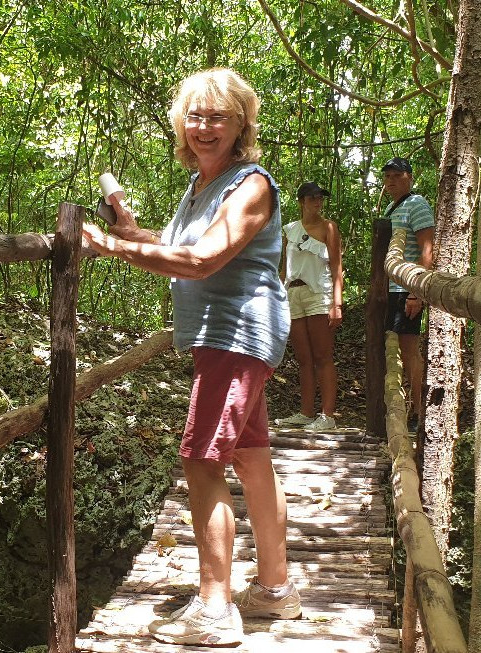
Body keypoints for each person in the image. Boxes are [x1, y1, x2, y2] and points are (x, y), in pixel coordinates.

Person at [82, 68, 300, 647]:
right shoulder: (204, 184)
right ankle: (275, 591)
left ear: (240, 124)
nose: (204, 127)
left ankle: (213, 608)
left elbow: (204, 261)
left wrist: (114, 247)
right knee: (251, 458)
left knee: (202, 460)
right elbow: (183, 246)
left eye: (218, 117)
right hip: (223, 338)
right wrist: (135, 233)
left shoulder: (251, 184)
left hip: (238, 334)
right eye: (196, 116)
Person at [274, 181, 343, 431]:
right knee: (303, 358)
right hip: (293, 294)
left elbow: (336, 267)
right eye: (312, 198)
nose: (317, 202)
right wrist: (277, 296)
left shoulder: (329, 228)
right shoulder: (290, 230)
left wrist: (337, 303)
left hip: (318, 293)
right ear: (301, 202)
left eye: (320, 198)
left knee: (322, 355)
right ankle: (306, 412)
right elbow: (284, 269)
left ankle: (327, 415)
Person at [380, 157, 434, 430]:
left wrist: (417, 293)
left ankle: (421, 412)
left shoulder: (417, 205)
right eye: (387, 176)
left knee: (410, 350)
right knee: (397, 348)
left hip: (406, 288)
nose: (391, 181)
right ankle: (407, 408)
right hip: (391, 289)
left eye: (396, 176)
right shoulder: (391, 207)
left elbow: (427, 250)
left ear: (409, 178)